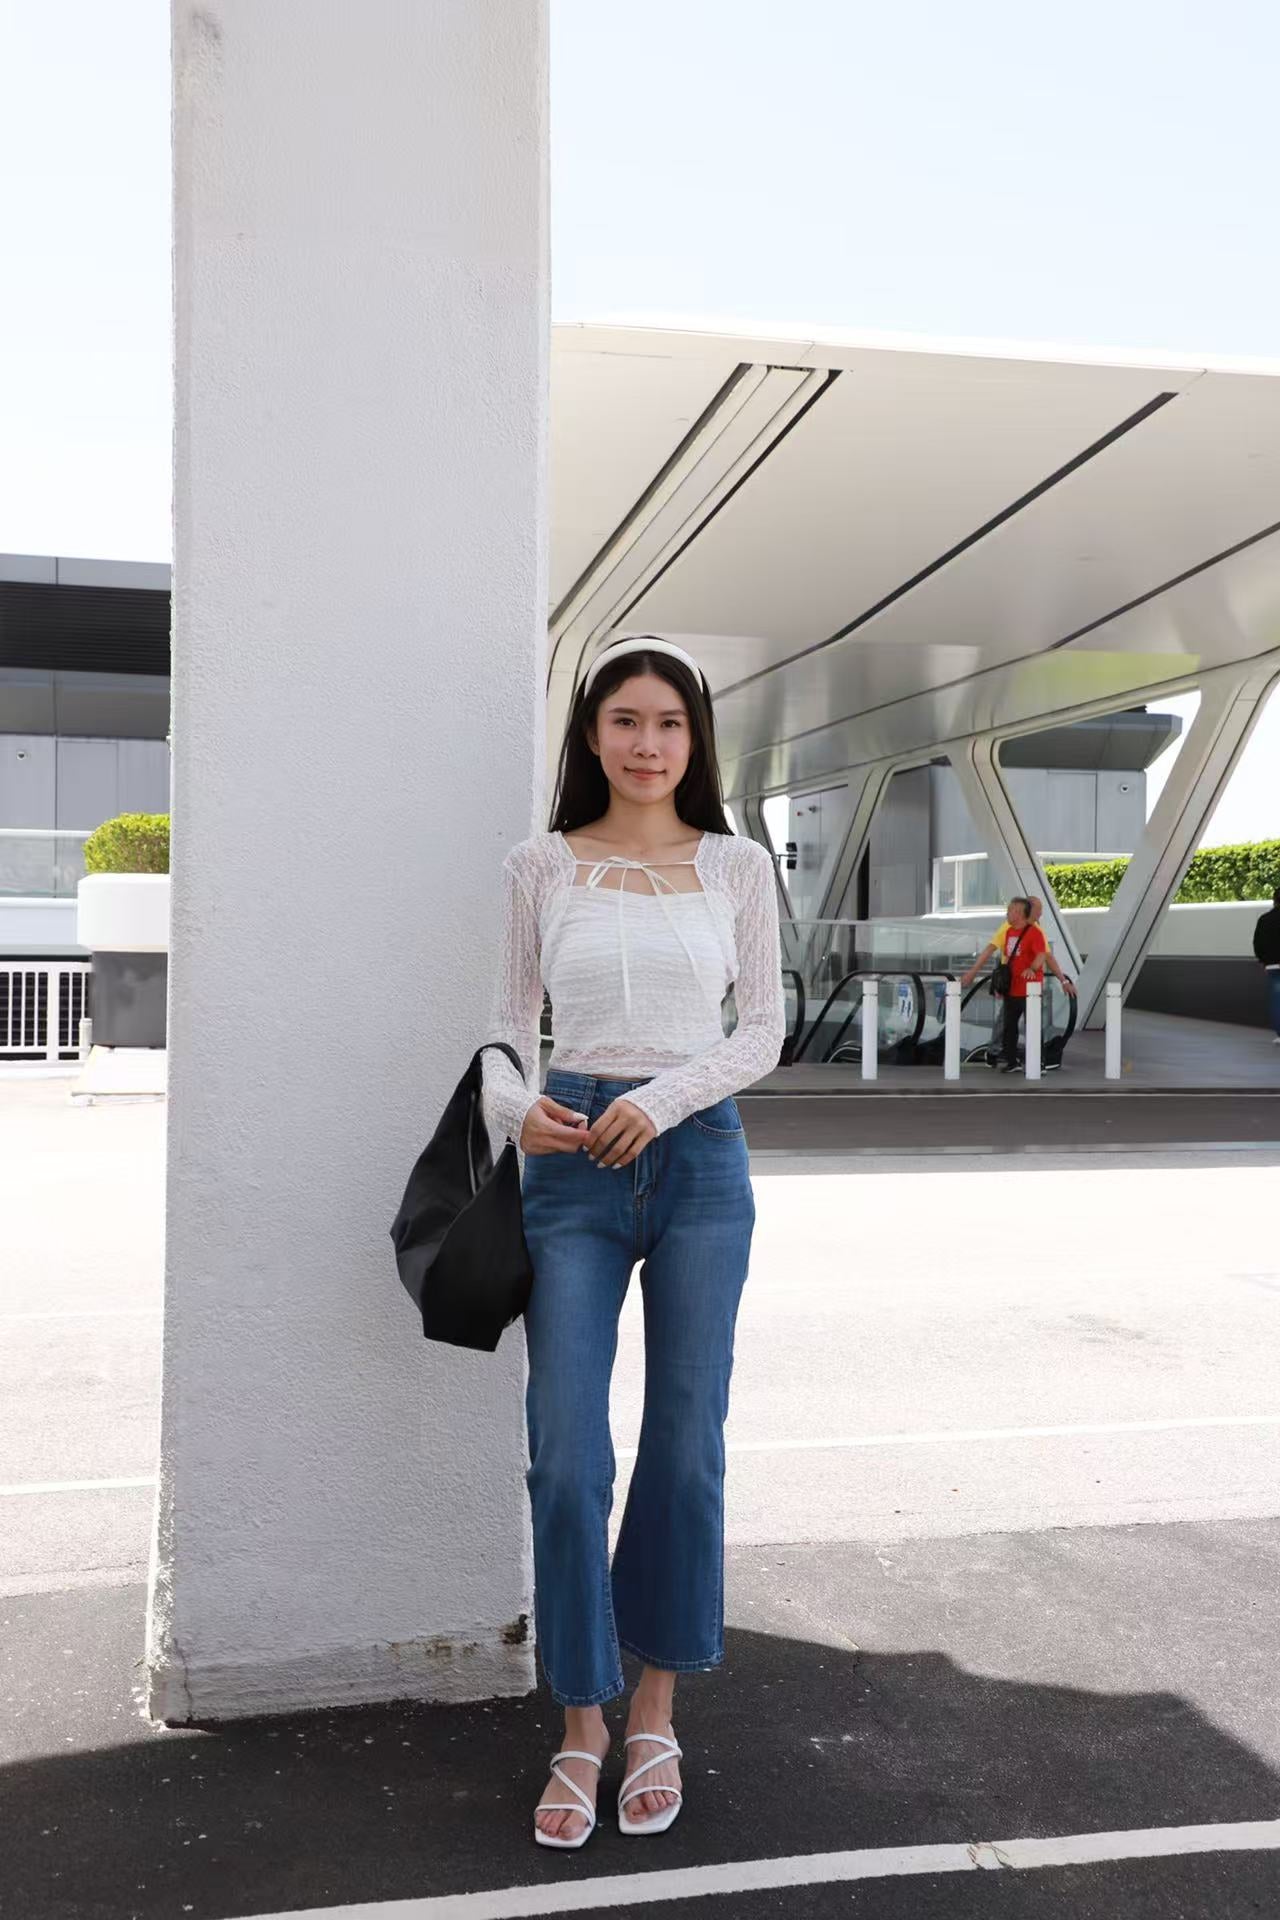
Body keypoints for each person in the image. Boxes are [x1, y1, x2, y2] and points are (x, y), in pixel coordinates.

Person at [480, 634, 786, 1849]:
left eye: (667, 723)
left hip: (699, 1157)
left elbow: (758, 1029)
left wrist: (655, 1103)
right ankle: (581, 1721)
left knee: (684, 1440)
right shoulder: (538, 866)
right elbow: (504, 1030)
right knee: (563, 1452)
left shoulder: (736, 868)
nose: (647, 744)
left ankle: (654, 1704)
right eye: (624, 722)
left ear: (694, 739)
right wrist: (520, 1111)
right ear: (591, 735)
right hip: (568, 1175)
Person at [960, 896, 1047, 1072]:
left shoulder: (1035, 932)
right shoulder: (1007, 932)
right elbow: (1005, 959)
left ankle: (1038, 1062)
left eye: (1010, 910)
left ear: (1019, 913)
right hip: (1012, 988)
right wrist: (1000, 985)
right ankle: (1011, 1060)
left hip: (1030, 989)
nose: (1007, 913)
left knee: (1032, 1025)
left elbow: (1042, 954)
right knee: (1009, 1026)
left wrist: (1032, 968)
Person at [1252, 886, 1280, 1043]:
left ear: (1274, 900)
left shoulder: (1264, 919)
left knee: (1278, 999)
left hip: (1273, 965)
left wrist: (1264, 961)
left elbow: (1258, 943)